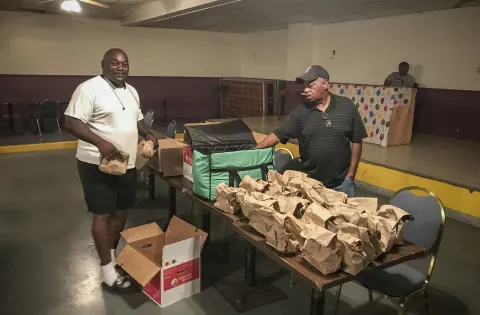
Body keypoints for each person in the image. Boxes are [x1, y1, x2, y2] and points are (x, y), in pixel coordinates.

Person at [64, 48, 156, 292]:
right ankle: (107, 273)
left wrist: (147, 133)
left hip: (127, 162)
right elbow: (72, 122)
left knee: (121, 210)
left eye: (124, 63)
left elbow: (136, 119)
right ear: (103, 64)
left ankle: (112, 258)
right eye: (114, 63)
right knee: (102, 214)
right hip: (96, 163)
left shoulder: (132, 91)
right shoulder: (88, 89)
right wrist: (100, 143)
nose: (120, 67)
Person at [256, 65, 367, 197]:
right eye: (305, 86)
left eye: (310, 85)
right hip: (311, 185)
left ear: (325, 84)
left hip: (342, 185)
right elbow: (277, 135)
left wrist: (351, 175)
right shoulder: (300, 113)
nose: (306, 90)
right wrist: (255, 149)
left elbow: (357, 140)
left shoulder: (346, 107)